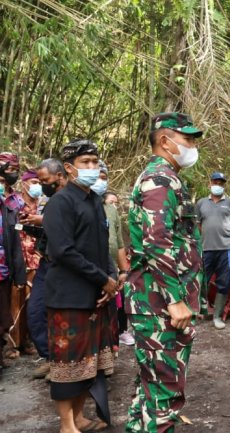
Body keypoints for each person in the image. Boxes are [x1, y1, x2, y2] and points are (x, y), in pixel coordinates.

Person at [125, 112, 203, 433]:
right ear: (165, 141)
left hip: (156, 304)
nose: (193, 146)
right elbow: (156, 241)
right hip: (158, 306)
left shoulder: (167, 178)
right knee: (163, 396)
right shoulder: (158, 180)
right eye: (187, 139)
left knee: (151, 390)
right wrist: (175, 300)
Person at [43, 140, 118, 432]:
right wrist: (103, 279)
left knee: (89, 363)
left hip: (94, 294)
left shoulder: (94, 201)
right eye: (86, 162)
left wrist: (110, 280)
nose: (92, 167)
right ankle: (66, 425)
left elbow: (101, 248)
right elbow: (63, 251)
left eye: (95, 161)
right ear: (70, 168)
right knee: (67, 364)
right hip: (68, 296)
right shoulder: (60, 203)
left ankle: (80, 416)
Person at [27, 159, 68, 380]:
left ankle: (65, 365)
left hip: (64, 264)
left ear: (60, 175)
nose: (42, 185)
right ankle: (50, 357)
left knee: (64, 316)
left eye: (45, 180)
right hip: (47, 261)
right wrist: (34, 227)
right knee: (36, 312)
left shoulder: (72, 198)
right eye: (39, 181)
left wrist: (43, 221)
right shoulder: (48, 199)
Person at [92, 162, 133, 346]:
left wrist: (124, 270)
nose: (99, 181)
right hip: (90, 269)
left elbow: (119, 243)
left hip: (111, 268)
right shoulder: (79, 205)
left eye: (103, 178)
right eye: (96, 177)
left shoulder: (110, 210)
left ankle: (110, 352)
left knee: (114, 308)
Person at [7, 169, 46, 358]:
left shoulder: (43, 204)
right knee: (17, 300)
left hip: (38, 256)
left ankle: (29, 341)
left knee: (34, 302)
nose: (37, 185)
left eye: (39, 181)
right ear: (24, 183)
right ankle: (14, 343)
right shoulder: (15, 204)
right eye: (33, 181)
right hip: (19, 256)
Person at [196, 171, 230, 329]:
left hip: (226, 249)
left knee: (224, 282)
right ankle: (199, 311)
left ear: (224, 185)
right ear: (210, 183)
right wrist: (205, 236)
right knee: (202, 280)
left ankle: (217, 317)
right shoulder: (201, 203)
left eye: (221, 183)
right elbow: (198, 224)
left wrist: (227, 235)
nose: (218, 185)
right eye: (215, 182)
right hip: (207, 248)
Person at [0, 162, 27, 376]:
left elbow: (15, 245)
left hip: (2, 273)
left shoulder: (8, 210)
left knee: (3, 319)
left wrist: (19, 275)